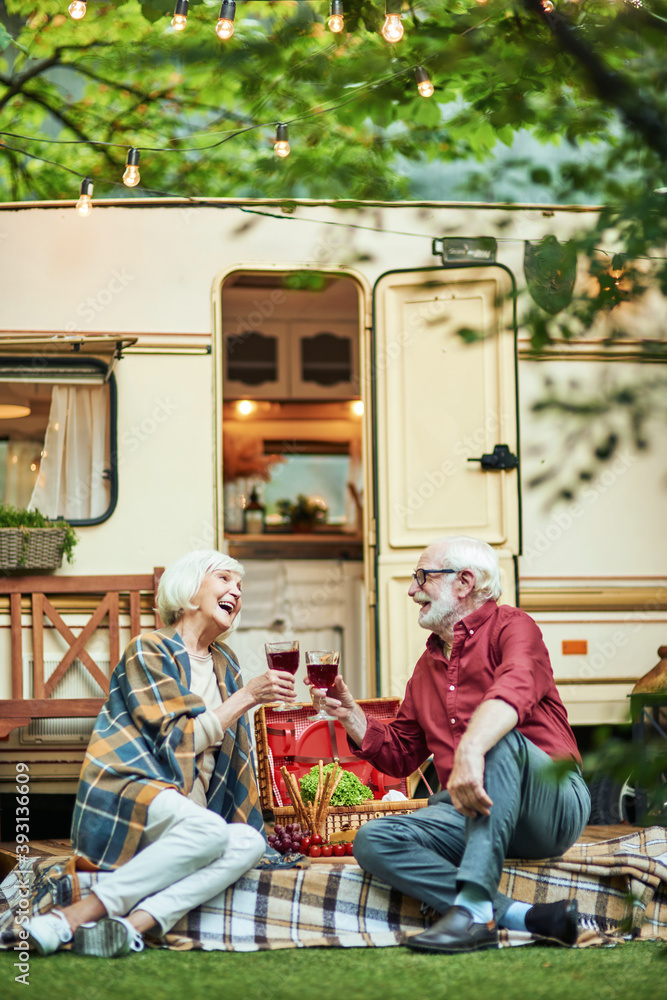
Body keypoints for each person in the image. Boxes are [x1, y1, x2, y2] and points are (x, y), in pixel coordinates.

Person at [312, 535, 591, 953]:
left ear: (464, 582)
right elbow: (400, 755)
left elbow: (516, 687)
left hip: (549, 805)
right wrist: (351, 715)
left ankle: (474, 911)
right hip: (473, 814)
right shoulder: (427, 668)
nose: (411, 590)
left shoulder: (514, 627)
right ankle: (520, 916)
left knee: (497, 738)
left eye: (422, 577)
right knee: (373, 839)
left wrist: (472, 747)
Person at [26, 550, 297, 958]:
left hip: (191, 813)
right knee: (209, 832)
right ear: (189, 590)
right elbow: (176, 740)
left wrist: (249, 696)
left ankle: (128, 927)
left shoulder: (226, 663)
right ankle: (71, 917)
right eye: (224, 579)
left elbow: (232, 756)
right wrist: (246, 697)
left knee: (248, 842)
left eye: (240, 586)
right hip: (136, 790)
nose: (237, 592)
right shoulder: (149, 649)